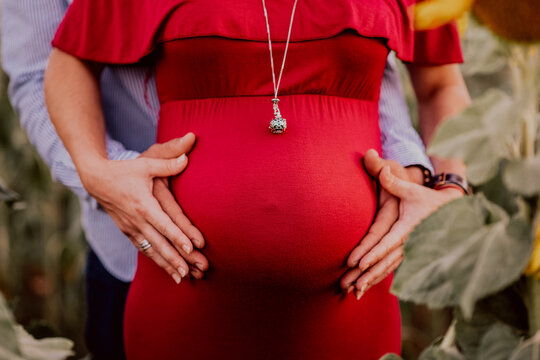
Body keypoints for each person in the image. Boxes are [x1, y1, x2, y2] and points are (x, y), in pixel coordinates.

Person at [5, 0, 467, 359]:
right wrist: (96, 169)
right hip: (170, 279)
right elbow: (52, 66)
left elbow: (429, 82)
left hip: (351, 302)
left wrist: (446, 188)